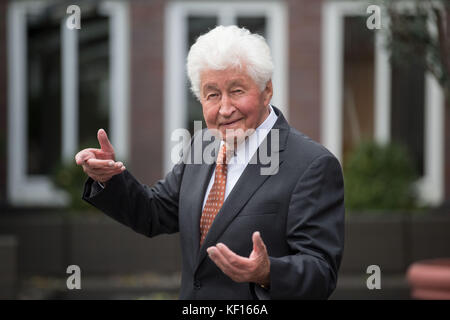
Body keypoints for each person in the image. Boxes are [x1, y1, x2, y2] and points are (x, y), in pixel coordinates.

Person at [75, 25, 345, 300]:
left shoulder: (312, 165)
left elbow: (321, 271)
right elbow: (154, 213)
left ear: (267, 91)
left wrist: (268, 272)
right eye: (212, 94)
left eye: (237, 91)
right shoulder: (202, 146)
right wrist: (107, 178)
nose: (225, 108)